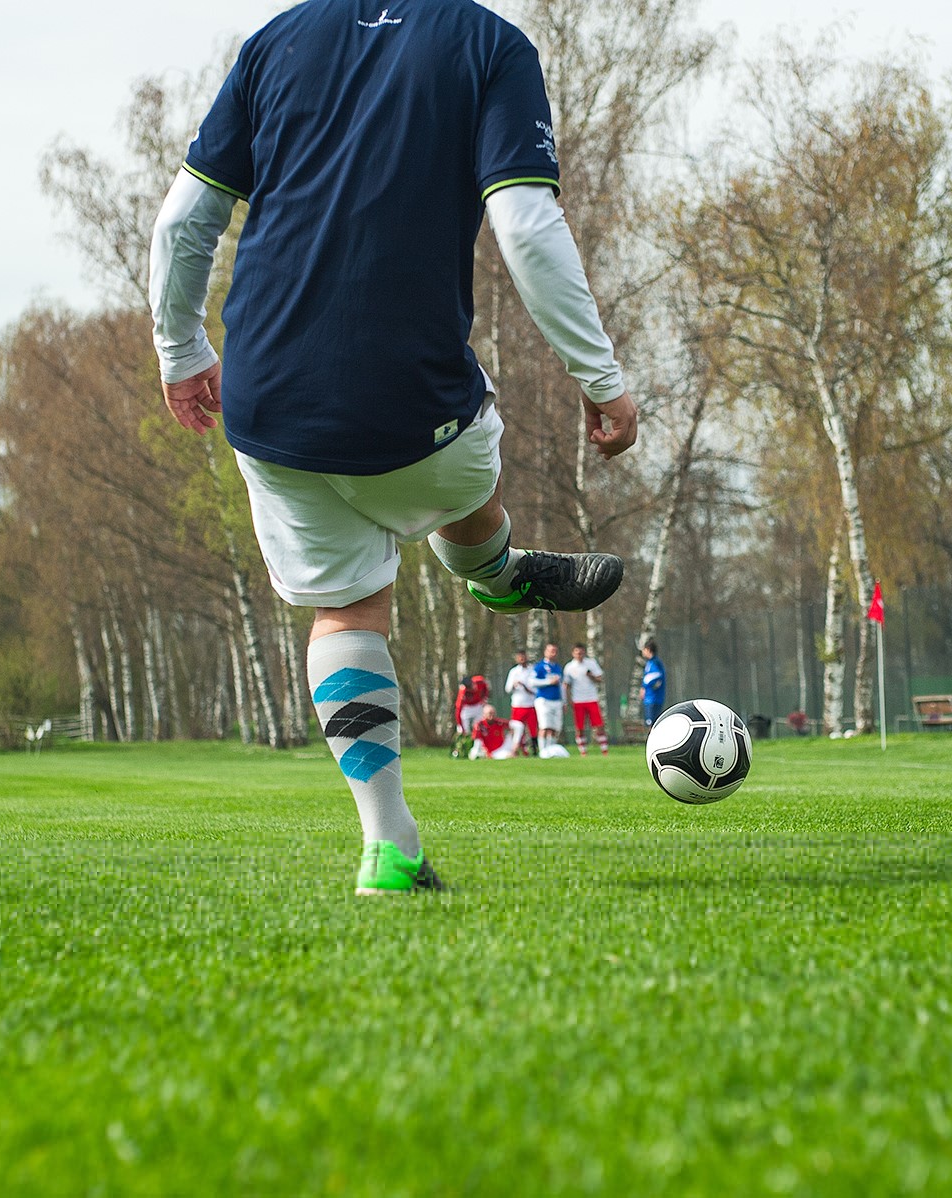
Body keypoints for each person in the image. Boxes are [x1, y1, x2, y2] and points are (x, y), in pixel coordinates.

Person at [149, 0, 639, 896]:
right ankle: (494, 574)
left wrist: (181, 353)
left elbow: (183, 221)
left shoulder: (277, 41)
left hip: (263, 404)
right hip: (411, 400)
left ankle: (389, 849)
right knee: (463, 479)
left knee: (346, 612)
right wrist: (601, 380)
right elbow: (526, 229)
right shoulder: (490, 44)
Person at [563, 643, 607, 755]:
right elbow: (566, 685)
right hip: (578, 700)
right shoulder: (569, 667)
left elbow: (600, 678)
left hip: (592, 698)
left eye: (581, 652)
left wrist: (591, 676)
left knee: (599, 725)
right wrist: (568, 700)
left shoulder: (591, 663)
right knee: (580, 727)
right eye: (577, 652)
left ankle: (604, 750)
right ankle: (583, 751)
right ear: (573, 653)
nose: (579, 654)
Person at [502, 648, 539, 754]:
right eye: (520, 657)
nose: (522, 659)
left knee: (532, 728)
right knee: (517, 727)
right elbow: (507, 689)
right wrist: (514, 685)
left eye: (524, 656)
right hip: (518, 705)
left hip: (530, 704)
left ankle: (534, 748)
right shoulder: (514, 671)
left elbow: (535, 689)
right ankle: (518, 748)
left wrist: (525, 686)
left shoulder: (532, 670)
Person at [530, 642, 565, 755]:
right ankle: (543, 751)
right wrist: (548, 682)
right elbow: (532, 682)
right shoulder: (539, 667)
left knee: (555, 728)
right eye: (551, 651)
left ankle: (551, 750)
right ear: (546, 652)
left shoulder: (557, 668)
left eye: (555, 651)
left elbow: (561, 686)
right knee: (544, 726)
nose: (553, 653)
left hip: (557, 700)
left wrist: (564, 701)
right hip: (544, 700)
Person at [638, 640, 666, 726]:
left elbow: (656, 676)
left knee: (652, 724)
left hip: (653, 699)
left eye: (644, 649)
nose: (643, 652)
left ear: (648, 650)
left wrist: (644, 686)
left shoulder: (655, 663)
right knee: (649, 723)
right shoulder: (649, 663)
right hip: (649, 699)